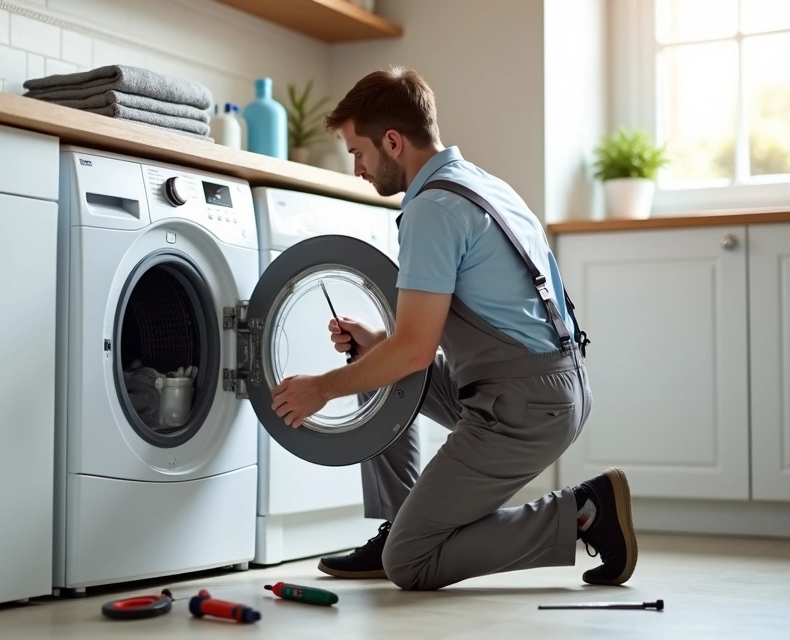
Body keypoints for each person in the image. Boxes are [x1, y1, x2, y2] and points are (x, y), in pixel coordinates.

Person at [269, 66, 636, 592]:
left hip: (523, 406)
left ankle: (581, 510)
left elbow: (415, 352)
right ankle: (404, 521)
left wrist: (320, 389)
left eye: (359, 152)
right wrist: (378, 347)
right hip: (548, 385)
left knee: (411, 563)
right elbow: (418, 347)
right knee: (381, 366)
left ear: (392, 142)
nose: (358, 169)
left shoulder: (433, 209)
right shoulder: (481, 185)